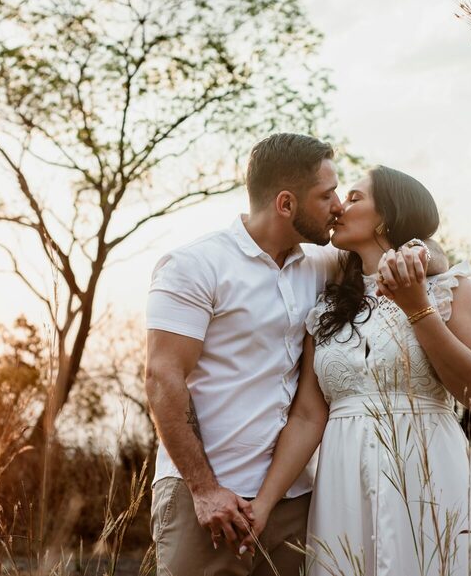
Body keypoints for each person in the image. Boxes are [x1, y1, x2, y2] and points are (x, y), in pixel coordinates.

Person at [144, 135, 446, 576]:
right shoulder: (194, 265)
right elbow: (161, 376)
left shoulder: (323, 264)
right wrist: (205, 489)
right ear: (286, 204)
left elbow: (419, 249)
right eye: (326, 195)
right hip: (206, 501)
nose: (338, 205)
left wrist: (421, 254)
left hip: (293, 503)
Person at [241, 165, 471, 576]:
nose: (340, 205)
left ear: (387, 216)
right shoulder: (327, 306)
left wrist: (418, 308)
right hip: (344, 481)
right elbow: (308, 416)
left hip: (430, 470)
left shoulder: (452, 286)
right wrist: (264, 504)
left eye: (356, 197)